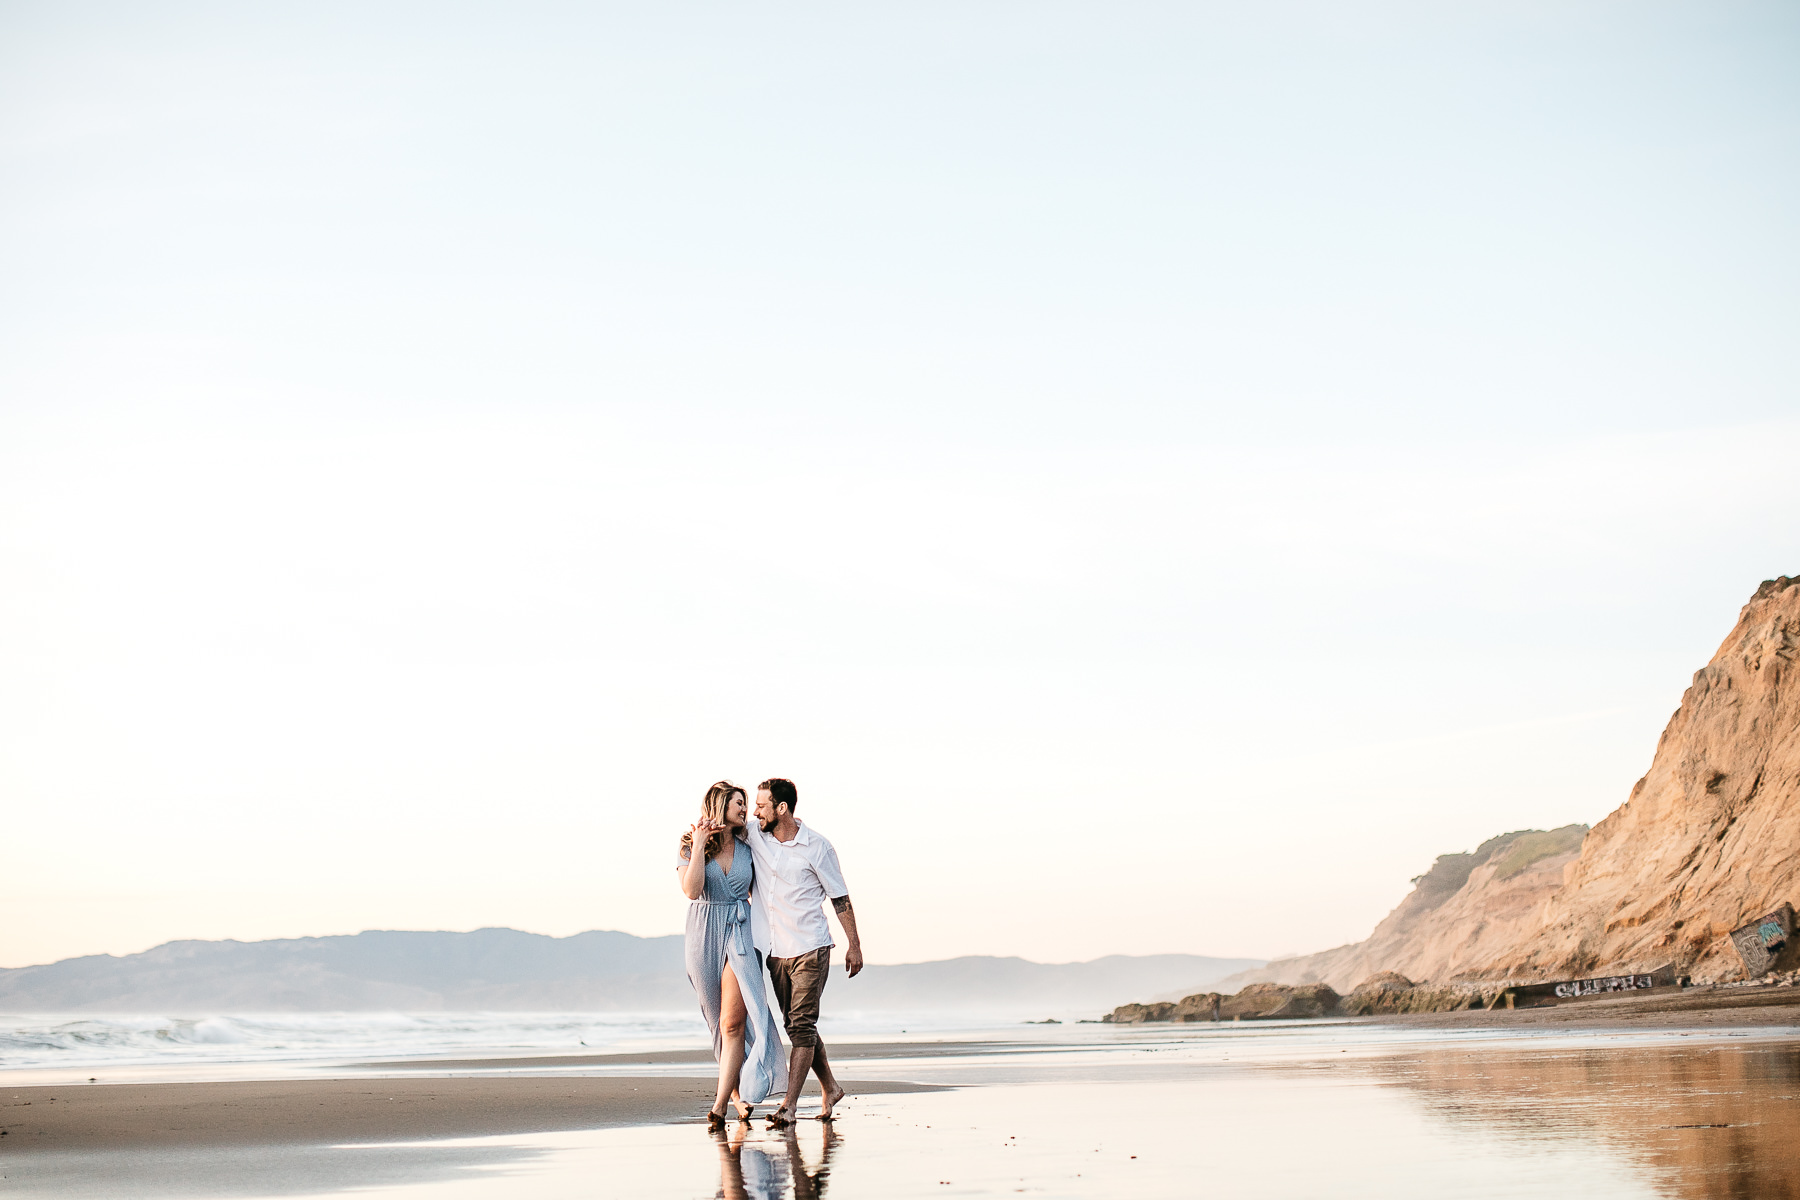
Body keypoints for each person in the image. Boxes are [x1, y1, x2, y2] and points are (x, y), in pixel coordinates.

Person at [742, 777, 864, 1126]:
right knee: (797, 1027)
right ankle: (831, 1088)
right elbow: (727, 825)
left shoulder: (818, 847)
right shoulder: (755, 835)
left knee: (802, 1025)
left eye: (761, 805)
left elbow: (839, 897)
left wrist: (854, 944)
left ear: (781, 808)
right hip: (774, 950)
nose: (755, 812)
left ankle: (789, 1106)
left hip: (810, 947)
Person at [679, 780, 789, 1129]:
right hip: (703, 932)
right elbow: (692, 890)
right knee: (716, 1022)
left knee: (733, 1022)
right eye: (739, 803)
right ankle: (737, 1095)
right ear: (720, 805)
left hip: (741, 931)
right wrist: (699, 845)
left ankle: (719, 1104)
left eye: (745, 803)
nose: (745, 809)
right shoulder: (689, 844)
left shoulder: (749, 844)